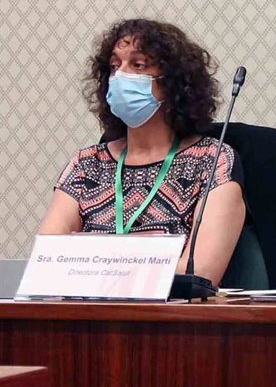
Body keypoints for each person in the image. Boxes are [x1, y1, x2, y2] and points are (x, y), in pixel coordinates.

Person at [39, 19, 246, 284]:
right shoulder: (87, 164)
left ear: (172, 83)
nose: (120, 76)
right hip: (88, 309)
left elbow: (200, 272)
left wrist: (92, 266)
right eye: (114, 66)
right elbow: (47, 261)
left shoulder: (212, 160)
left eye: (138, 65)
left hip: (170, 310)